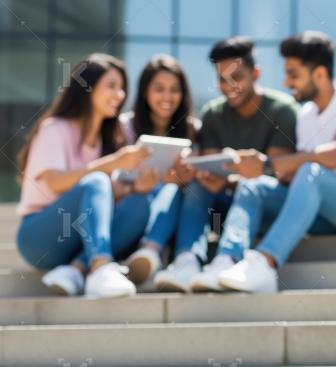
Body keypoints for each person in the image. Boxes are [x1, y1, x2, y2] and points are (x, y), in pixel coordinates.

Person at [190, 30, 336, 294]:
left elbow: (335, 155)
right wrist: (272, 173)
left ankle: (265, 264)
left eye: (293, 74)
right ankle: (226, 259)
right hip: (328, 213)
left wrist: (269, 165)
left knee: (311, 172)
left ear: (318, 74)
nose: (286, 81)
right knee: (255, 187)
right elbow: (300, 172)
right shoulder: (305, 115)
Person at [152, 36, 298, 292]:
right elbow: (209, 169)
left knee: (253, 185)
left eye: (237, 77)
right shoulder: (212, 114)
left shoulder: (282, 110)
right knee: (197, 185)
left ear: (255, 73)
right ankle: (187, 261)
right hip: (225, 201)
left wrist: (231, 178)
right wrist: (210, 177)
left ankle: (226, 259)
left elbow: (275, 173)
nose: (229, 86)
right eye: (221, 79)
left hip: (262, 203)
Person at [15, 53, 159, 298]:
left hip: (79, 238)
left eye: (122, 88)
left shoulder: (113, 136)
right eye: (111, 86)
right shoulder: (55, 128)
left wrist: (135, 187)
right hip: (41, 236)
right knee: (96, 181)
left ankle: (76, 269)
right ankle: (101, 266)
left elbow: (105, 196)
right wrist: (112, 163)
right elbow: (55, 183)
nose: (120, 95)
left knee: (139, 204)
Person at [117, 54, 202, 284]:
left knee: (176, 189)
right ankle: (149, 251)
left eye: (175, 89)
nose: (167, 97)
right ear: (145, 91)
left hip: (173, 209)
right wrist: (139, 185)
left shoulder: (194, 129)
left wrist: (184, 176)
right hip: (132, 208)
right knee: (167, 189)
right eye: (159, 89)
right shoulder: (125, 127)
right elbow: (112, 178)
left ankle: (151, 251)